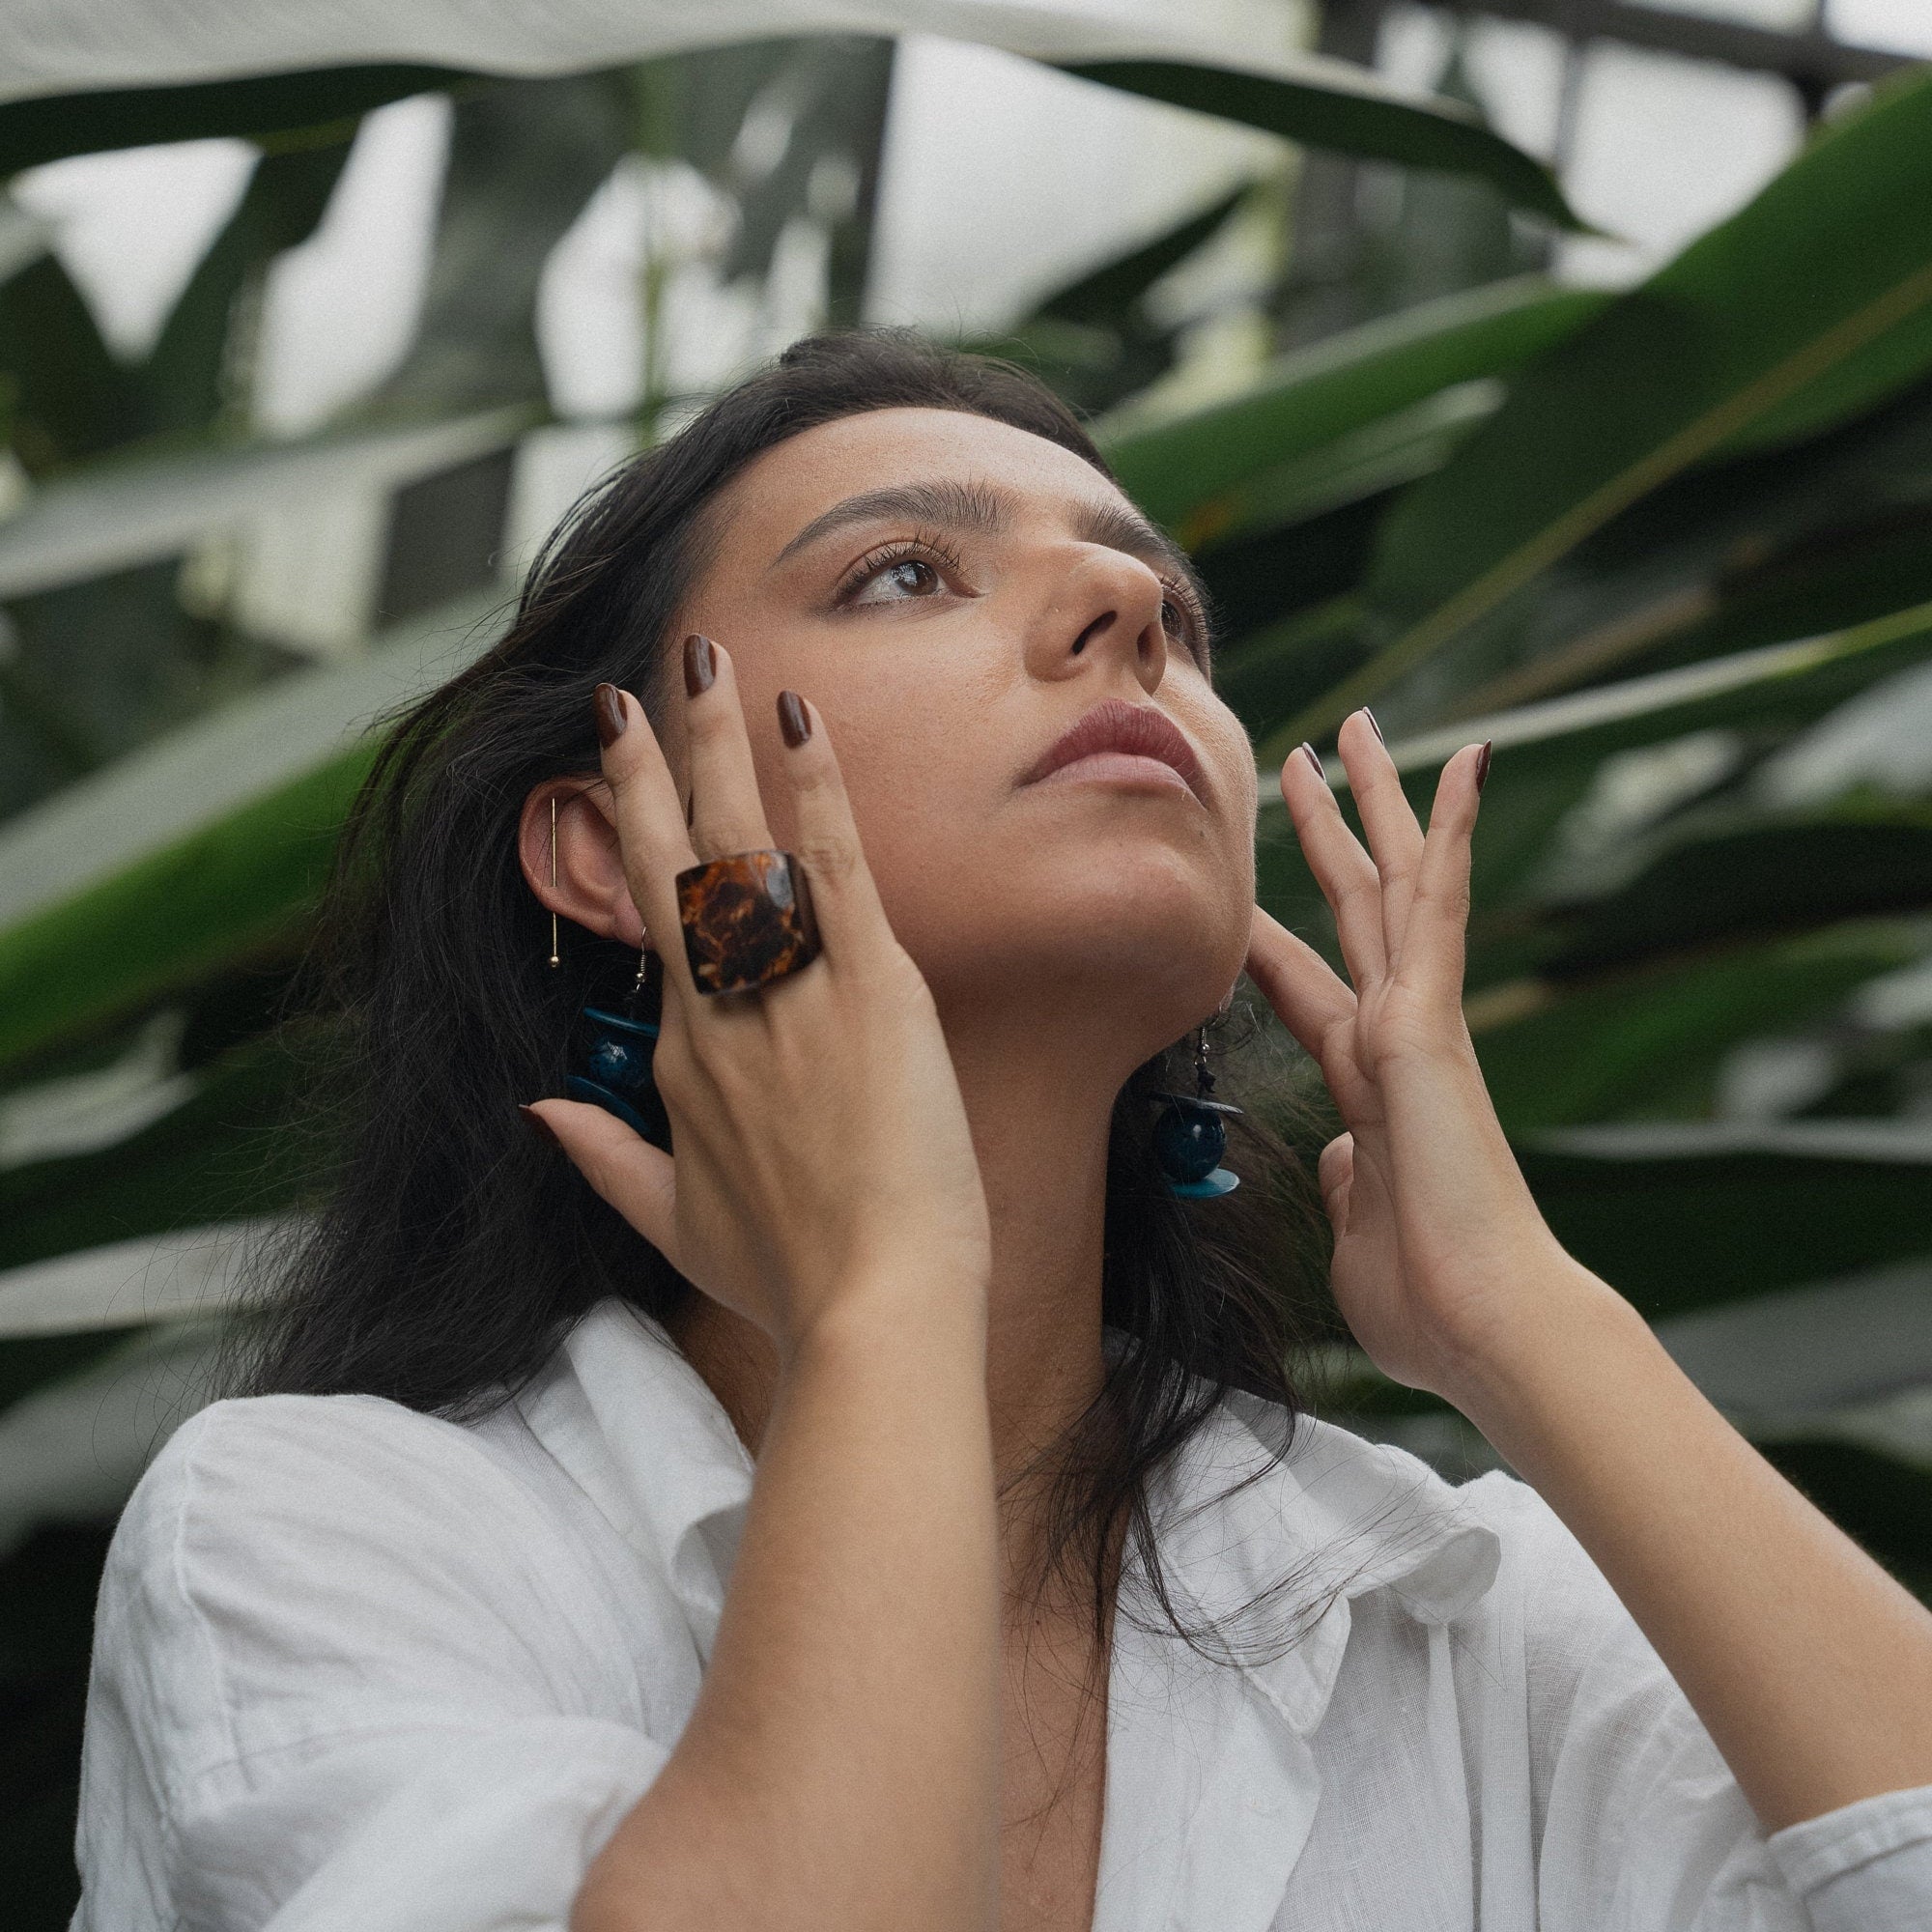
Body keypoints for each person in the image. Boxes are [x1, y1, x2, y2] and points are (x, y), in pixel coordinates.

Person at [71, 333, 1932, 1932]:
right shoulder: (330, 1536)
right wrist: (882, 1298)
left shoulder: (1451, 1617)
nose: (1128, 612)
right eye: (902, 574)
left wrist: (1530, 1324)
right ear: (617, 849)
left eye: (1170, 614)